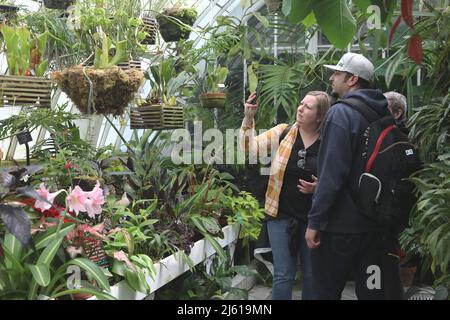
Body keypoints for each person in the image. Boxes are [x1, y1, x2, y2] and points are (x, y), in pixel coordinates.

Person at [305, 52, 403, 299]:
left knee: (325, 292)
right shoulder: (384, 113)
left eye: (337, 73)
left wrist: (315, 221)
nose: (331, 78)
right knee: (372, 293)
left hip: (340, 229)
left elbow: (331, 174)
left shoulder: (341, 114)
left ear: (352, 80)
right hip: (375, 226)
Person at [240, 90, 331, 300]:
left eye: (308, 107)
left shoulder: (328, 141)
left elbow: (338, 175)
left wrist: (319, 188)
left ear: (319, 115)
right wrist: (248, 117)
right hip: (280, 215)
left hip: (313, 220)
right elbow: (250, 149)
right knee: (283, 275)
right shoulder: (284, 132)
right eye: (301, 104)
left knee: (311, 275)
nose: (300, 108)